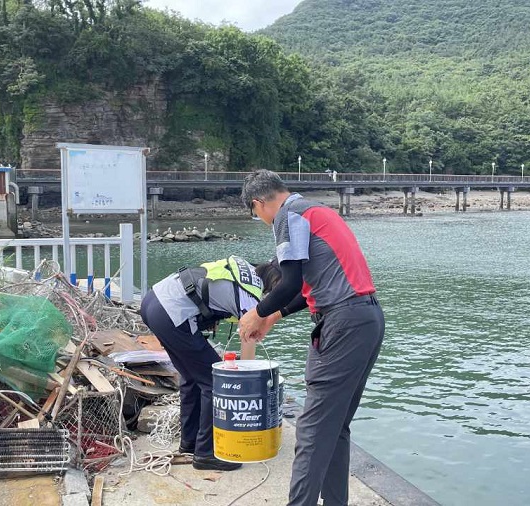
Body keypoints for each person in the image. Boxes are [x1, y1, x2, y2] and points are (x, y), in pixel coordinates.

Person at [238, 169, 385, 506]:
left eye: (255, 213)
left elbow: (288, 284)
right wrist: (274, 315)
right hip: (368, 318)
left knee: (312, 430)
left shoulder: (287, 216)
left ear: (259, 203)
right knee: (335, 428)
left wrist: (256, 313)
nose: (259, 219)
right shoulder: (317, 212)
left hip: (343, 323)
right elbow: (309, 289)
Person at [139, 255, 281, 472]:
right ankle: (206, 454)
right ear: (277, 285)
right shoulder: (252, 300)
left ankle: (190, 442)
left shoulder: (244, 271)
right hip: (172, 312)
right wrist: (242, 381)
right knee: (216, 382)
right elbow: (248, 347)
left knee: (191, 377)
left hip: (154, 300)